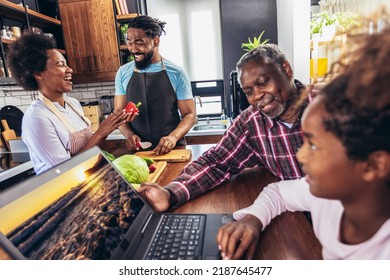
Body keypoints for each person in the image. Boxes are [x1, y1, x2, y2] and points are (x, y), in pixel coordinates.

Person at [217, 28, 390, 260]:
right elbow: (277, 192)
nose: (300, 156)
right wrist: (253, 219)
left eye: (315, 145)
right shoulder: (324, 196)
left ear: (373, 165)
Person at [138, 43, 313, 212]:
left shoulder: (333, 105)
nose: (258, 96)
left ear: (286, 70)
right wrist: (169, 194)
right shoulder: (250, 124)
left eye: (263, 83)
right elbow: (215, 162)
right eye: (249, 92)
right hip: (295, 219)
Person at [6, 32, 133, 175]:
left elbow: (92, 149)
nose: (70, 70)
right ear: (38, 74)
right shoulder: (37, 118)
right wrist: (101, 132)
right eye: (60, 65)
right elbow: (65, 171)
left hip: (87, 178)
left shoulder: (73, 104)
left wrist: (110, 130)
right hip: (63, 191)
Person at [114, 15, 196, 155]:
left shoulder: (177, 73)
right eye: (129, 42)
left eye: (139, 42)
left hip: (172, 149)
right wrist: (128, 135)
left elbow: (190, 115)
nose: (133, 49)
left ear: (155, 41)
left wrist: (173, 137)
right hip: (138, 151)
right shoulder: (123, 72)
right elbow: (118, 112)